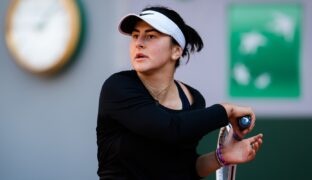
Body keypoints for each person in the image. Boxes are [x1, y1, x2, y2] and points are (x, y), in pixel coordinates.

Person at [96, 5, 263, 180]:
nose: (139, 43)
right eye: (135, 36)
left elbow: (185, 167)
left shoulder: (193, 99)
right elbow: (170, 128)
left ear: (176, 51)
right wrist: (225, 110)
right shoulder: (117, 87)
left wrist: (221, 157)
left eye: (150, 36)